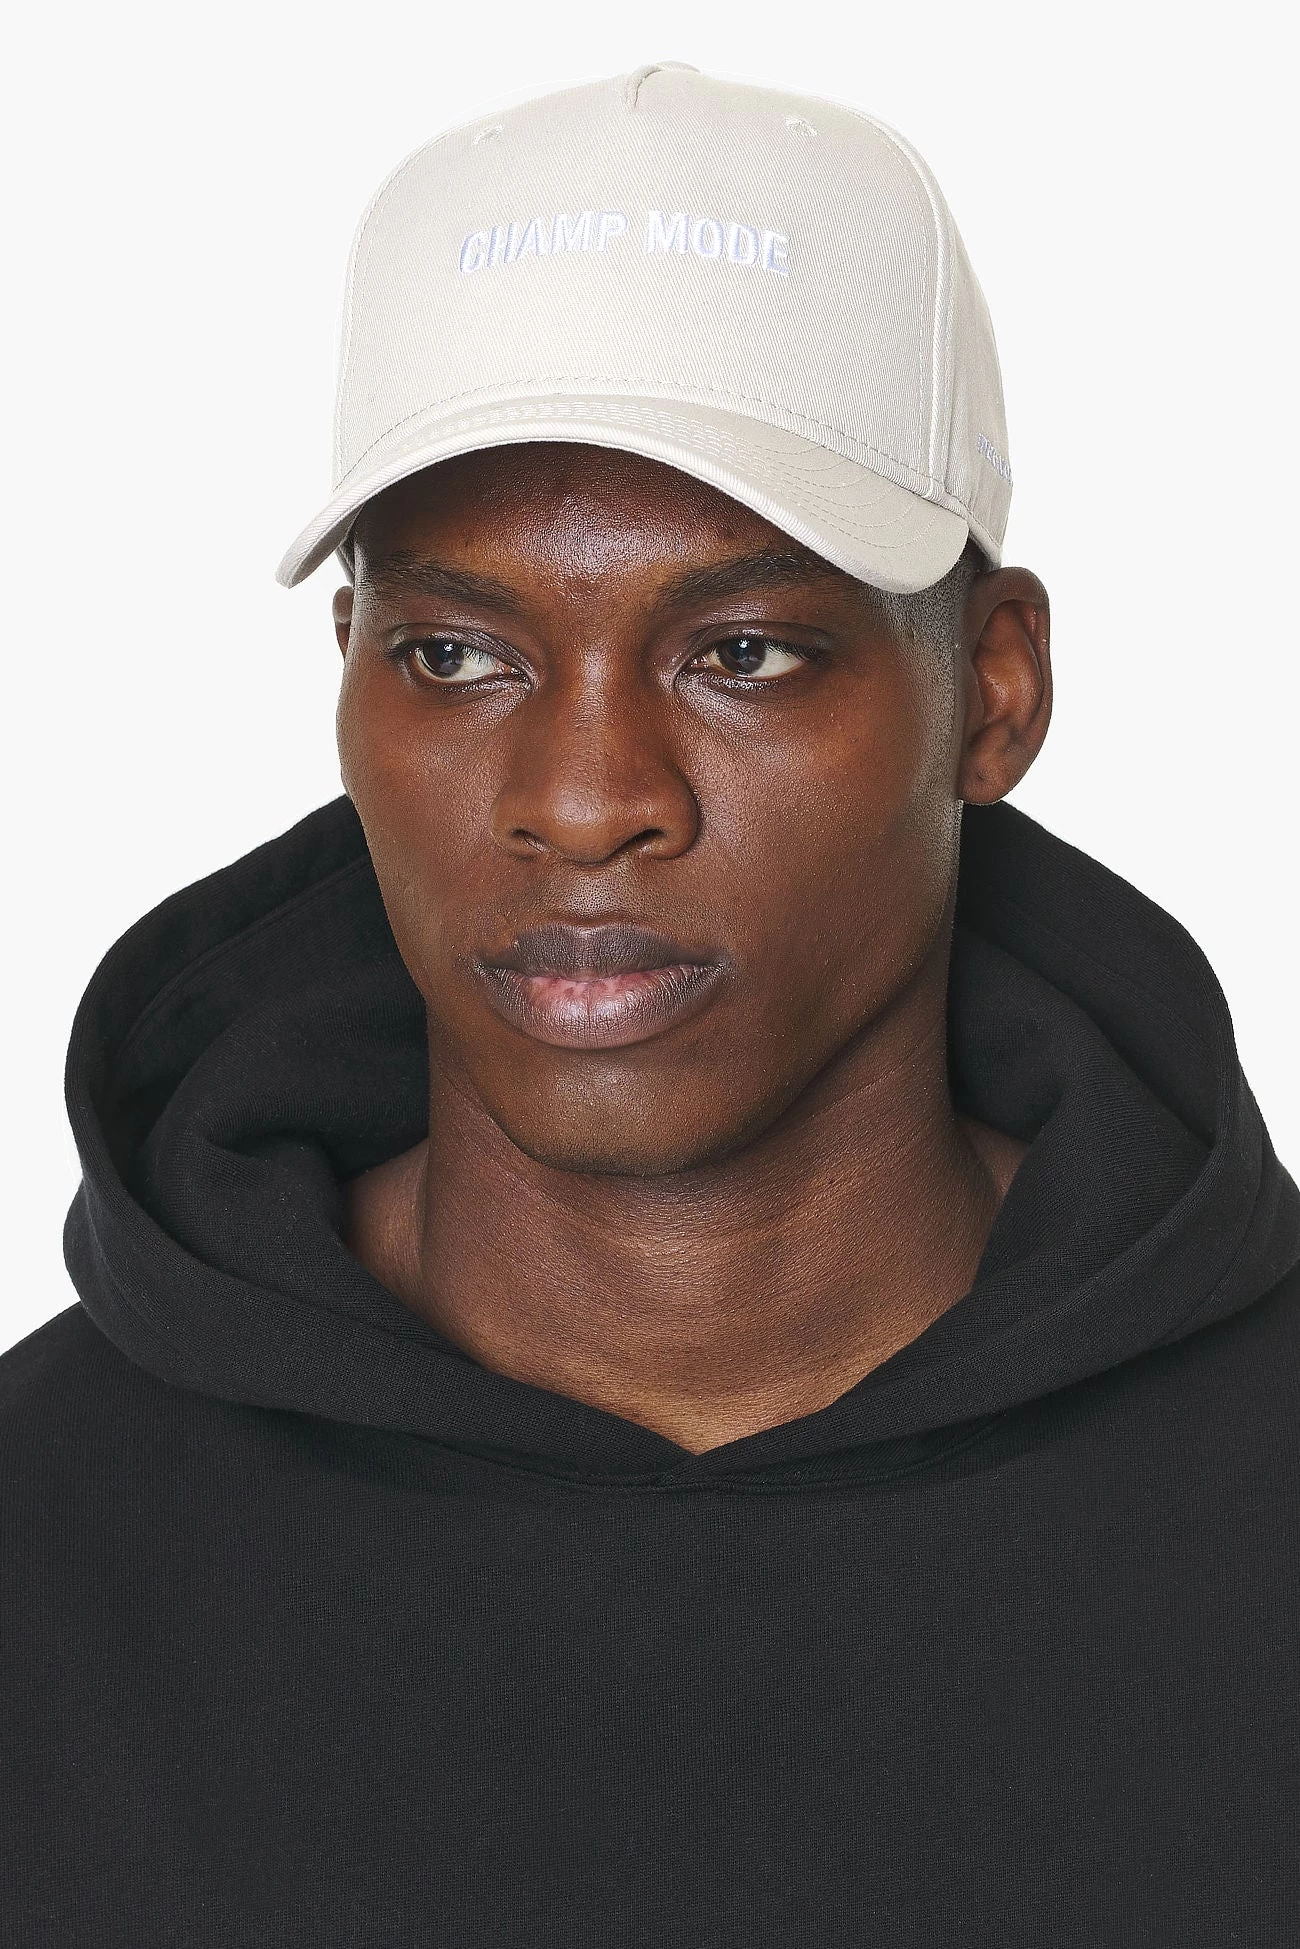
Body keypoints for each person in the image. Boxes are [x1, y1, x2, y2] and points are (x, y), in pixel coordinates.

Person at [3, 60, 1297, 1949]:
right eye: (457, 655)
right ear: (346, 673)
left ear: (994, 691)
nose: (585, 795)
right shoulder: (45, 1543)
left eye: (743, 651)